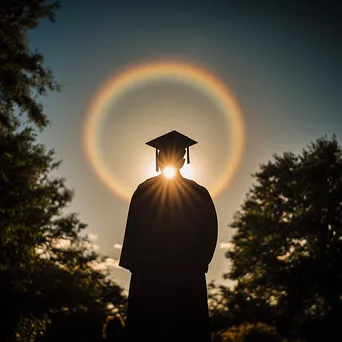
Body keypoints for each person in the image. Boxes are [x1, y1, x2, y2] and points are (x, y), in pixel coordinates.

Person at [119, 130, 218, 342]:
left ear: (159, 158)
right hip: (185, 281)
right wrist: (198, 264)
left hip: (151, 281)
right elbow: (209, 235)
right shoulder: (198, 193)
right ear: (184, 159)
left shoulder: (145, 191)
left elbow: (132, 240)